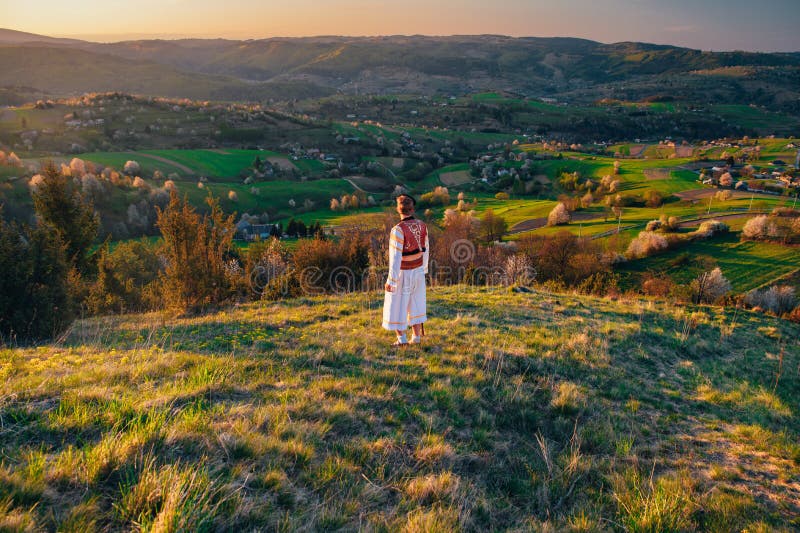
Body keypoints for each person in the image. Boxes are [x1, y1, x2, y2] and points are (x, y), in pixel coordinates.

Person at [383, 194, 429, 346]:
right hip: (418, 270)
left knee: (397, 304)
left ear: (398, 209)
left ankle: (402, 339)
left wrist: (391, 280)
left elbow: (395, 258)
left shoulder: (397, 230)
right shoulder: (422, 225)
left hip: (403, 272)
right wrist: (424, 269)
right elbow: (426, 249)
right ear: (412, 209)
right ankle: (416, 338)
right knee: (416, 303)